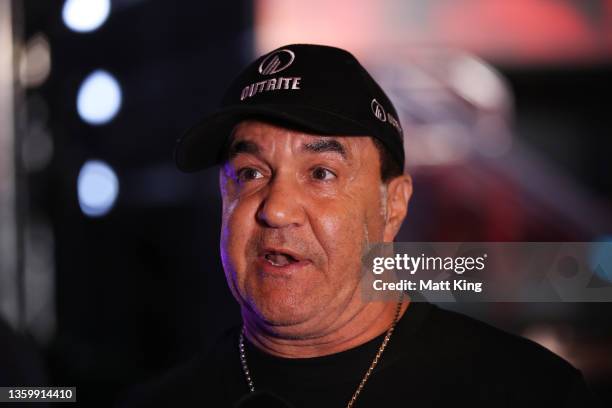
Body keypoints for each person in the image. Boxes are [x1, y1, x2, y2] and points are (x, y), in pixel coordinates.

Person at [123, 44, 599, 407]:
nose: (276, 209)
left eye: (321, 174)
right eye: (251, 173)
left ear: (394, 205)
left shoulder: (527, 392)